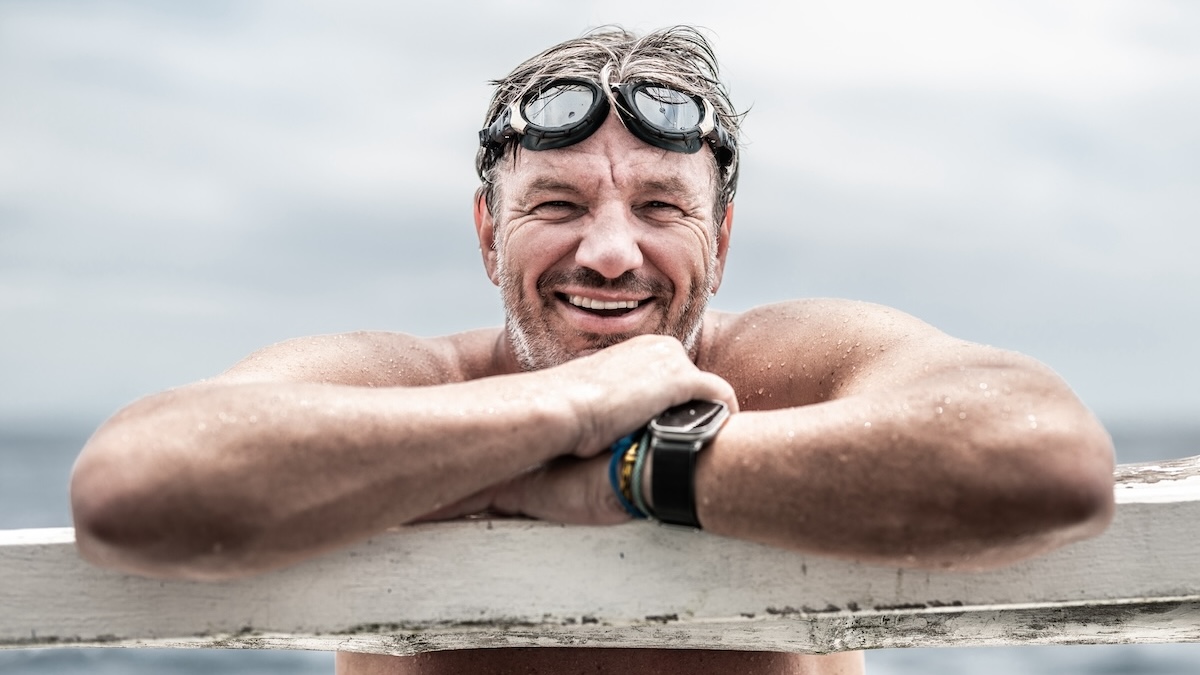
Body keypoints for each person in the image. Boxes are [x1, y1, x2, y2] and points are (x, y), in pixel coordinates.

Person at [69, 25, 1116, 675]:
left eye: (662, 206)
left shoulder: (786, 370)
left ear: (723, 237)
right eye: (558, 204)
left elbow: (1043, 462)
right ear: (488, 235)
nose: (611, 253)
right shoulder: (416, 383)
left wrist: (641, 471)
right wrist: (554, 421)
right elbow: (137, 485)